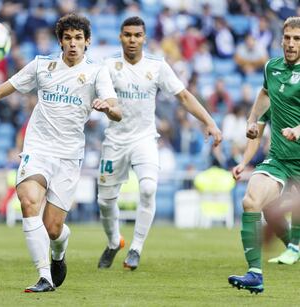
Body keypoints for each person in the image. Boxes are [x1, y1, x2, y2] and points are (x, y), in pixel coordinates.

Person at [0, 13, 122, 292]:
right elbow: (0, 91)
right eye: (67, 38)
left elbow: (117, 111)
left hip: (69, 156)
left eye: (78, 38)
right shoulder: (41, 66)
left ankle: (58, 254)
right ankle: (44, 276)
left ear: (88, 42)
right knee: (29, 202)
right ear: (60, 41)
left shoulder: (97, 72)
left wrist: (107, 108)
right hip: (38, 149)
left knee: (53, 229)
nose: (73, 44)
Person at [97, 16, 222, 271]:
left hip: (144, 138)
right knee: (105, 201)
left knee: (148, 189)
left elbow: (184, 96)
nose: (132, 40)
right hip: (115, 140)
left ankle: (136, 249)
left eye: (137, 35)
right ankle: (114, 242)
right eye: (128, 35)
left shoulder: (157, 65)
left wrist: (209, 121)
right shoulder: (108, 66)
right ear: (120, 37)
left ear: (144, 38)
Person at [228, 16, 300, 294]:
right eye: (288, 38)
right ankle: (255, 274)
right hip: (281, 159)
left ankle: (294, 244)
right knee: (251, 201)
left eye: (297, 39)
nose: (291, 44)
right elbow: (264, 92)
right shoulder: (272, 67)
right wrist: (252, 119)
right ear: (281, 39)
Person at [232, 109, 292, 253]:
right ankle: (293, 248)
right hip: (279, 162)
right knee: (268, 207)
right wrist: (243, 162)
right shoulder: (272, 103)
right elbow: (256, 138)